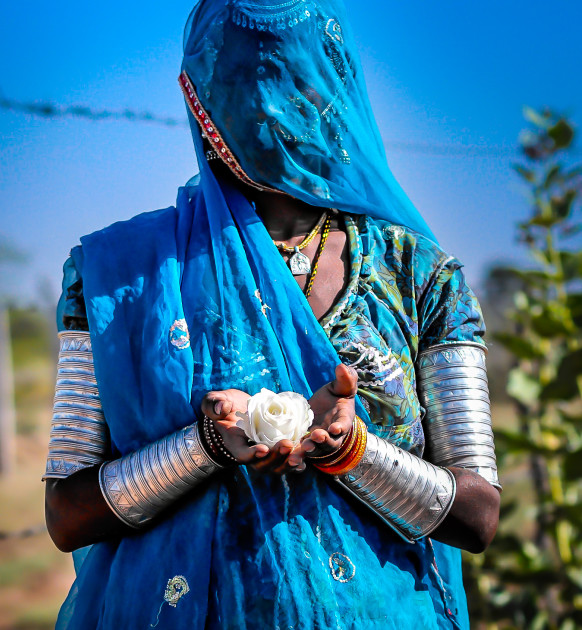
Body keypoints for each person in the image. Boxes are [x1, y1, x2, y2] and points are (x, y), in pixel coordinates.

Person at [43, 1, 500, 628]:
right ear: (201, 97)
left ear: (333, 84)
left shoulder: (421, 277)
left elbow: (477, 517)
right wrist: (205, 445)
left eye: (292, 76)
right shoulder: (115, 274)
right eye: (241, 77)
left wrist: (352, 449)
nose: (269, 101)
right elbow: (67, 516)